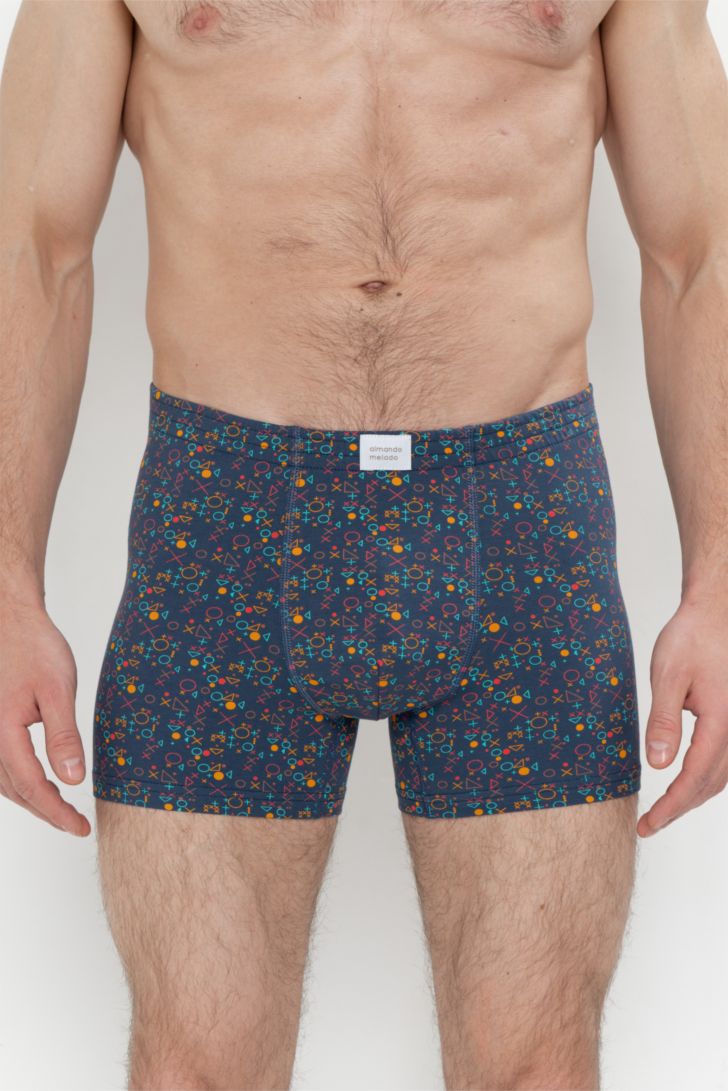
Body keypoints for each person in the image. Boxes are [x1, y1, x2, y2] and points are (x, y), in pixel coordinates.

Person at [1, 0, 727, 1088]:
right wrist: (6, 581)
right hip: (222, 520)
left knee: (536, 1062)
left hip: (521, 515)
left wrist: (719, 580)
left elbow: (697, 251)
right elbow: (33, 247)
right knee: (196, 1064)